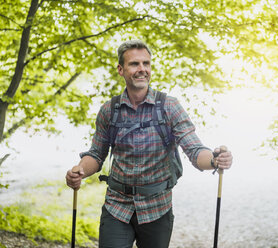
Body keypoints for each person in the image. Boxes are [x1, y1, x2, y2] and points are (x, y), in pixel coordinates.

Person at [65, 39, 233, 248]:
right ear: (121, 69)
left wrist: (215, 160)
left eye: (146, 63)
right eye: (134, 64)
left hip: (157, 208)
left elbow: (195, 150)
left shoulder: (169, 107)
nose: (142, 69)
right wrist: (79, 170)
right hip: (117, 206)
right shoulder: (109, 110)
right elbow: (97, 155)